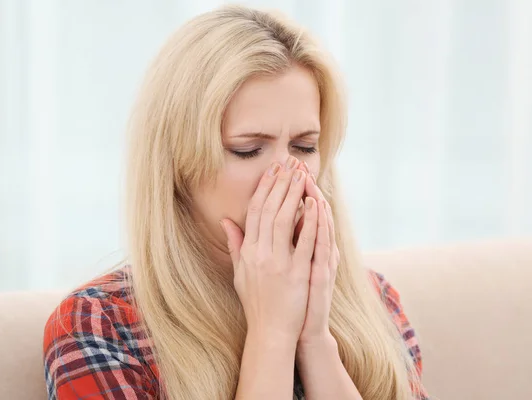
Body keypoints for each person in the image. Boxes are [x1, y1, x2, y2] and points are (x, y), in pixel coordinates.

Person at [43, 5, 429, 400]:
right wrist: (273, 335)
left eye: (304, 146)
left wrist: (315, 341)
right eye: (247, 150)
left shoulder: (375, 300)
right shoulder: (99, 326)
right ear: (178, 164)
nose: (288, 175)